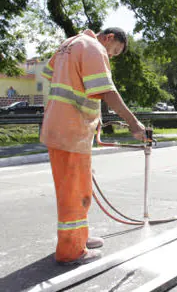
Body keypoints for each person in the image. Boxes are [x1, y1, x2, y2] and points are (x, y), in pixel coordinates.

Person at [40, 27, 146, 265]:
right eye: (115, 51)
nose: (112, 56)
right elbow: (106, 91)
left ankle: (79, 238)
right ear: (109, 38)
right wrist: (133, 122)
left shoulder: (68, 44)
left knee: (80, 189)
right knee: (73, 193)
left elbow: (51, 74)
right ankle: (71, 251)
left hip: (65, 128)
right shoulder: (94, 48)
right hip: (70, 129)